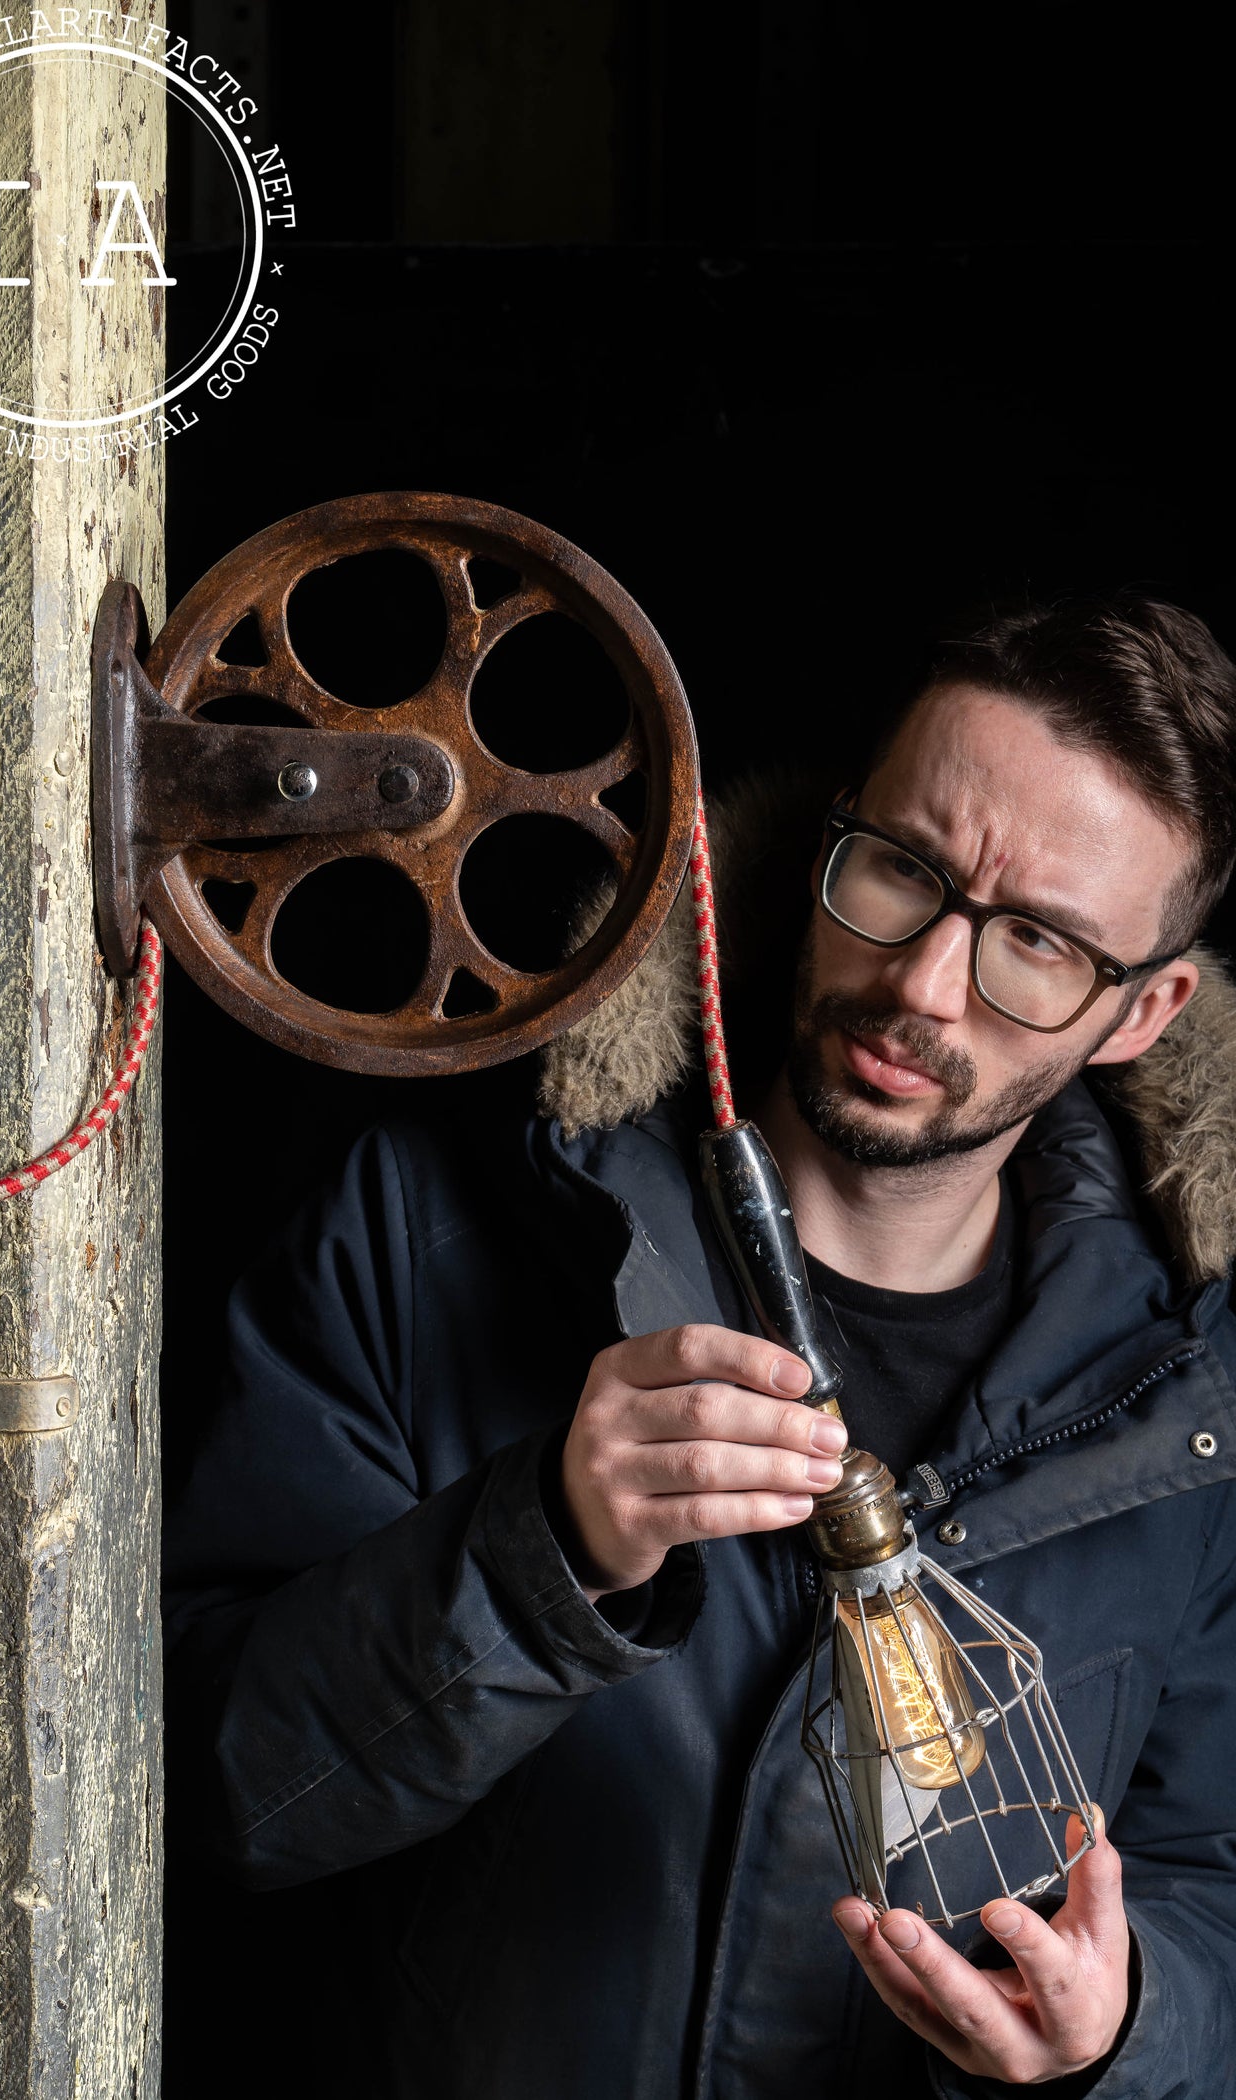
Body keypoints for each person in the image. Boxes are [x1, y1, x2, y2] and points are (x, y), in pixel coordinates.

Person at [163, 590, 1236, 2099]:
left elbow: (1209, 1893)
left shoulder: (1193, 1411)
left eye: (1040, 948)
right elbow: (198, 1793)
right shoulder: (427, 1231)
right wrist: (537, 1551)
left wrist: (1125, 2026)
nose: (925, 984)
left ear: (1145, 1011)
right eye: (904, 873)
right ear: (827, 843)